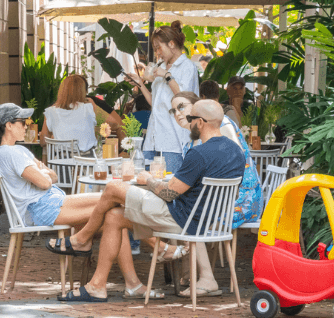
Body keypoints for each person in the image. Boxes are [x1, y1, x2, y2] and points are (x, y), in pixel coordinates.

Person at [45, 99, 245, 302]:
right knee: (114, 216)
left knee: (113, 188)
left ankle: (80, 240)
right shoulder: (236, 151)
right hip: (208, 221)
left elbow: (169, 194)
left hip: (181, 219)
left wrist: (148, 180)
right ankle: (99, 286)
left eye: (192, 118)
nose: (190, 122)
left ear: (200, 122)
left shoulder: (199, 153)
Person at [0, 103, 167, 300]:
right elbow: (45, 182)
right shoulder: (10, 153)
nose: (27, 125)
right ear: (9, 125)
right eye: (22, 122)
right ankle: (159, 249)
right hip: (43, 208)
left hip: (52, 201)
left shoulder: (18, 150)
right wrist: (44, 174)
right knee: (114, 198)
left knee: (115, 211)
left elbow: (52, 176)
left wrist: (44, 174)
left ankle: (129, 276)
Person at [171, 91, 262, 296]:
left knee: (189, 214)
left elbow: (229, 165)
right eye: (174, 110)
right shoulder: (194, 139)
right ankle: (189, 273)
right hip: (218, 196)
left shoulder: (223, 126)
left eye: (183, 107)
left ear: (199, 110)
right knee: (187, 207)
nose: (179, 114)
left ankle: (204, 277)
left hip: (241, 197)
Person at [127, 21, 199, 173]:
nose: (157, 52)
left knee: (169, 184)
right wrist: (140, 84)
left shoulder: (187, 67)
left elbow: (183, 99)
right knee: (145, 181)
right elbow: (154, 103)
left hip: (173, 141)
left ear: (171, 44)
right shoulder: (161, 67)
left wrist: (167, 76)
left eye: (159, 47)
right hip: (152, 138)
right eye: (155, 48)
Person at [40, 75, 97, 156]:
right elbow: (109, 123)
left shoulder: (51, 111)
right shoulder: (89, 107)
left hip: (61, 161)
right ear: (83, 91)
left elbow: (43, 142)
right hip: (86, 160)